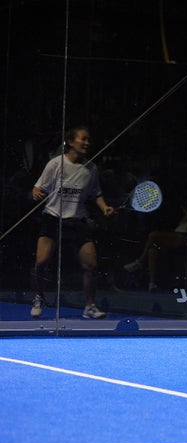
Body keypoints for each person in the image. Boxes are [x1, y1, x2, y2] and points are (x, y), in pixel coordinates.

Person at [30, 125, 115, 319]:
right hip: (53, 217)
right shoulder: (55, 164)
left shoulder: (91, 169)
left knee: (91, 265)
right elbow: (38, 187)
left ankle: (89, 306)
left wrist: (104, 207)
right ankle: (39, 297)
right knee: (41, 263)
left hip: (77, 221)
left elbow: (96, 194)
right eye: (83, 139)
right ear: (70, 142)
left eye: (88, 140)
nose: (87, 143)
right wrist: (36, 192)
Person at [123, 188, 187, 291]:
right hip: (176, 235)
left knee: (153, 235)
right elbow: (181, 224)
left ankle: (140, 261)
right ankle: (152, 283)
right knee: (152, 251)